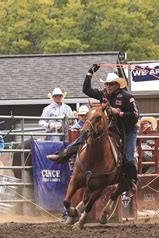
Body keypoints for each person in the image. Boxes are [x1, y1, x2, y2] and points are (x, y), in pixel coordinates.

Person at [48, 65, 139, 194]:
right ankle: (64, 154)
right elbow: (86, 89)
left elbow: (135, 116)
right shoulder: (104, 95)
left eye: (111, 84)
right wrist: (90, 73)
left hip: (128, 129)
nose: (108, 86)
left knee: (128, 158)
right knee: (86, 134)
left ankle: (132, 181)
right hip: (111, 127)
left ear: (117, 85)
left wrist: (118, 113)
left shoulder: (127, 97)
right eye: (107, 84)